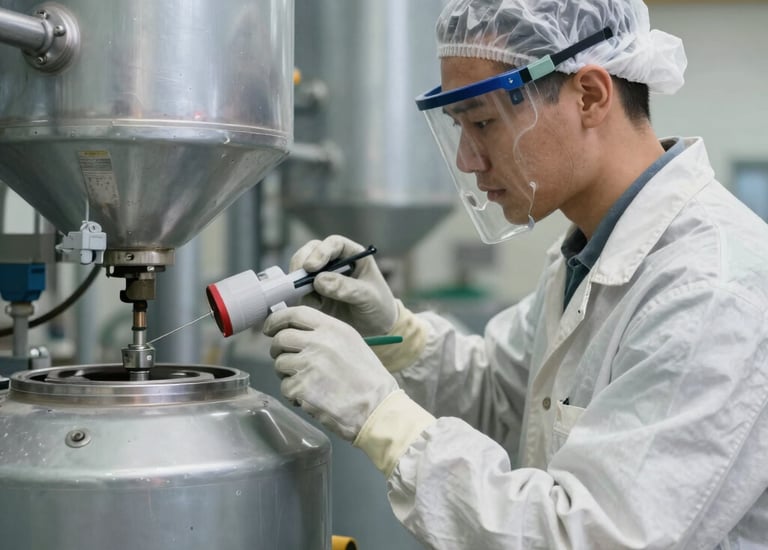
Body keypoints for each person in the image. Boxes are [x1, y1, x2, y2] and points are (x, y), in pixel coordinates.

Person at [262, 0, 768, 548]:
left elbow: (590, 537)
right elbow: (506, 398)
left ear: (590, 96)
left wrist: (383, 418)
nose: (466, 159)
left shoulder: (709, 290)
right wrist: (398, 336)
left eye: (482, 121)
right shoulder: (587, 255)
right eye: (459, 125)